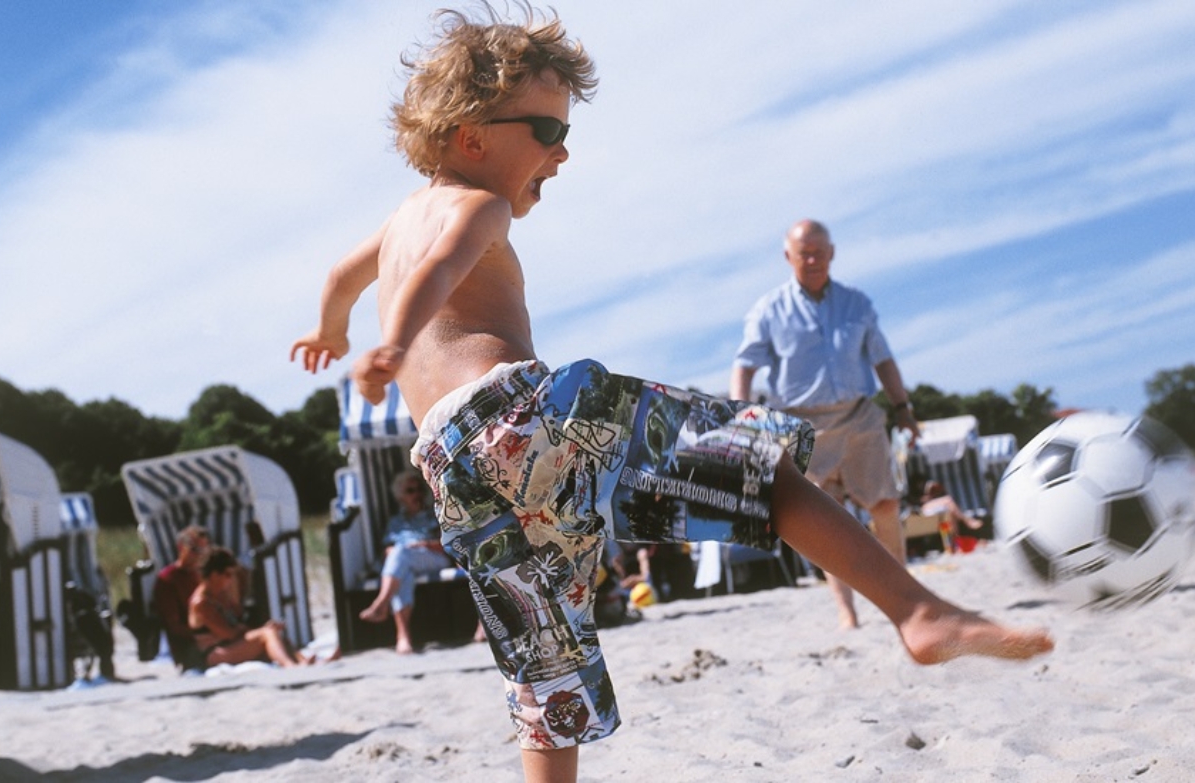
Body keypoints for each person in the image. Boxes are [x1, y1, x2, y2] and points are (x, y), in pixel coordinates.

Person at [289, 5, 1052, 780]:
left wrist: (334, 332)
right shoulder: (477, 206)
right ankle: (918, 611)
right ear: (472, 136)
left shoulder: (393, 224)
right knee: (752, 467)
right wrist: (388, 340)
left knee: (545, 657)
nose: (562, 153)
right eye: (547, 132)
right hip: (521, 418)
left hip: (452, 470)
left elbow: (337, 280)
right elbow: (441, 268)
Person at [731, 218, 919, 629]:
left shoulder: (858, 305)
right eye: (804, 253)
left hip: (859, 415)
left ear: (832, 253)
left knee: (885, 504)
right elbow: (744, 366)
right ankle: (847, 611)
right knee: (826, 520)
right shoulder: (768, 311)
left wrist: (903, 406)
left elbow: (883, 359)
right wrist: (740, 417)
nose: (813, 259)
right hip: (803, 426)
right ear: (789, 257)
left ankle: (904, 596)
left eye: (820, 251)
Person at [357, 468, 455, 654]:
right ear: (400, 496)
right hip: (405, 563)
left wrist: (421, 544)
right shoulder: (396, 522)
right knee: (404, 572)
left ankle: (381, 604)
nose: (416, 494)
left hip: (434, 557)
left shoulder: (434, 514)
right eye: (410, 491)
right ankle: (403, 637)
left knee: (401, 554)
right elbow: (387, 549)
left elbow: (447, 545)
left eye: (419, 489)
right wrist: (398, 551)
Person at [187, 547, 310, 668]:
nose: (230, 580)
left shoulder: (220, 595)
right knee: (267, 633)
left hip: (231, 644)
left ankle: (303, 661)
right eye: (228, 575)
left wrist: (233, 594)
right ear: (214, 575)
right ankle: (289, 665)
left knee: (276, 636)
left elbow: (239, 615)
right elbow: (227, 634)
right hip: (215, 652)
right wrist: (259, 629)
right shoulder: (201, 602)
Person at [151, 524, 210, 671]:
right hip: (189, 646)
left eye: (203, 551)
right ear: (181, 547)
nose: (199, 555)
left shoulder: (201, 574)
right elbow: (174, 625)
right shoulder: (168, 579)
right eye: (195, 550)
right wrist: (204, 635)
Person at [919, 479, 983, 553]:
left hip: (940, 521)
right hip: (928, 516)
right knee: (948, 501)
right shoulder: (927, 502)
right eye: (934, 490)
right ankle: (967, 521)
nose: (936, 492)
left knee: (950, 514)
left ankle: (955, 544)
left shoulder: (940, 503)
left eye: (937, 489)